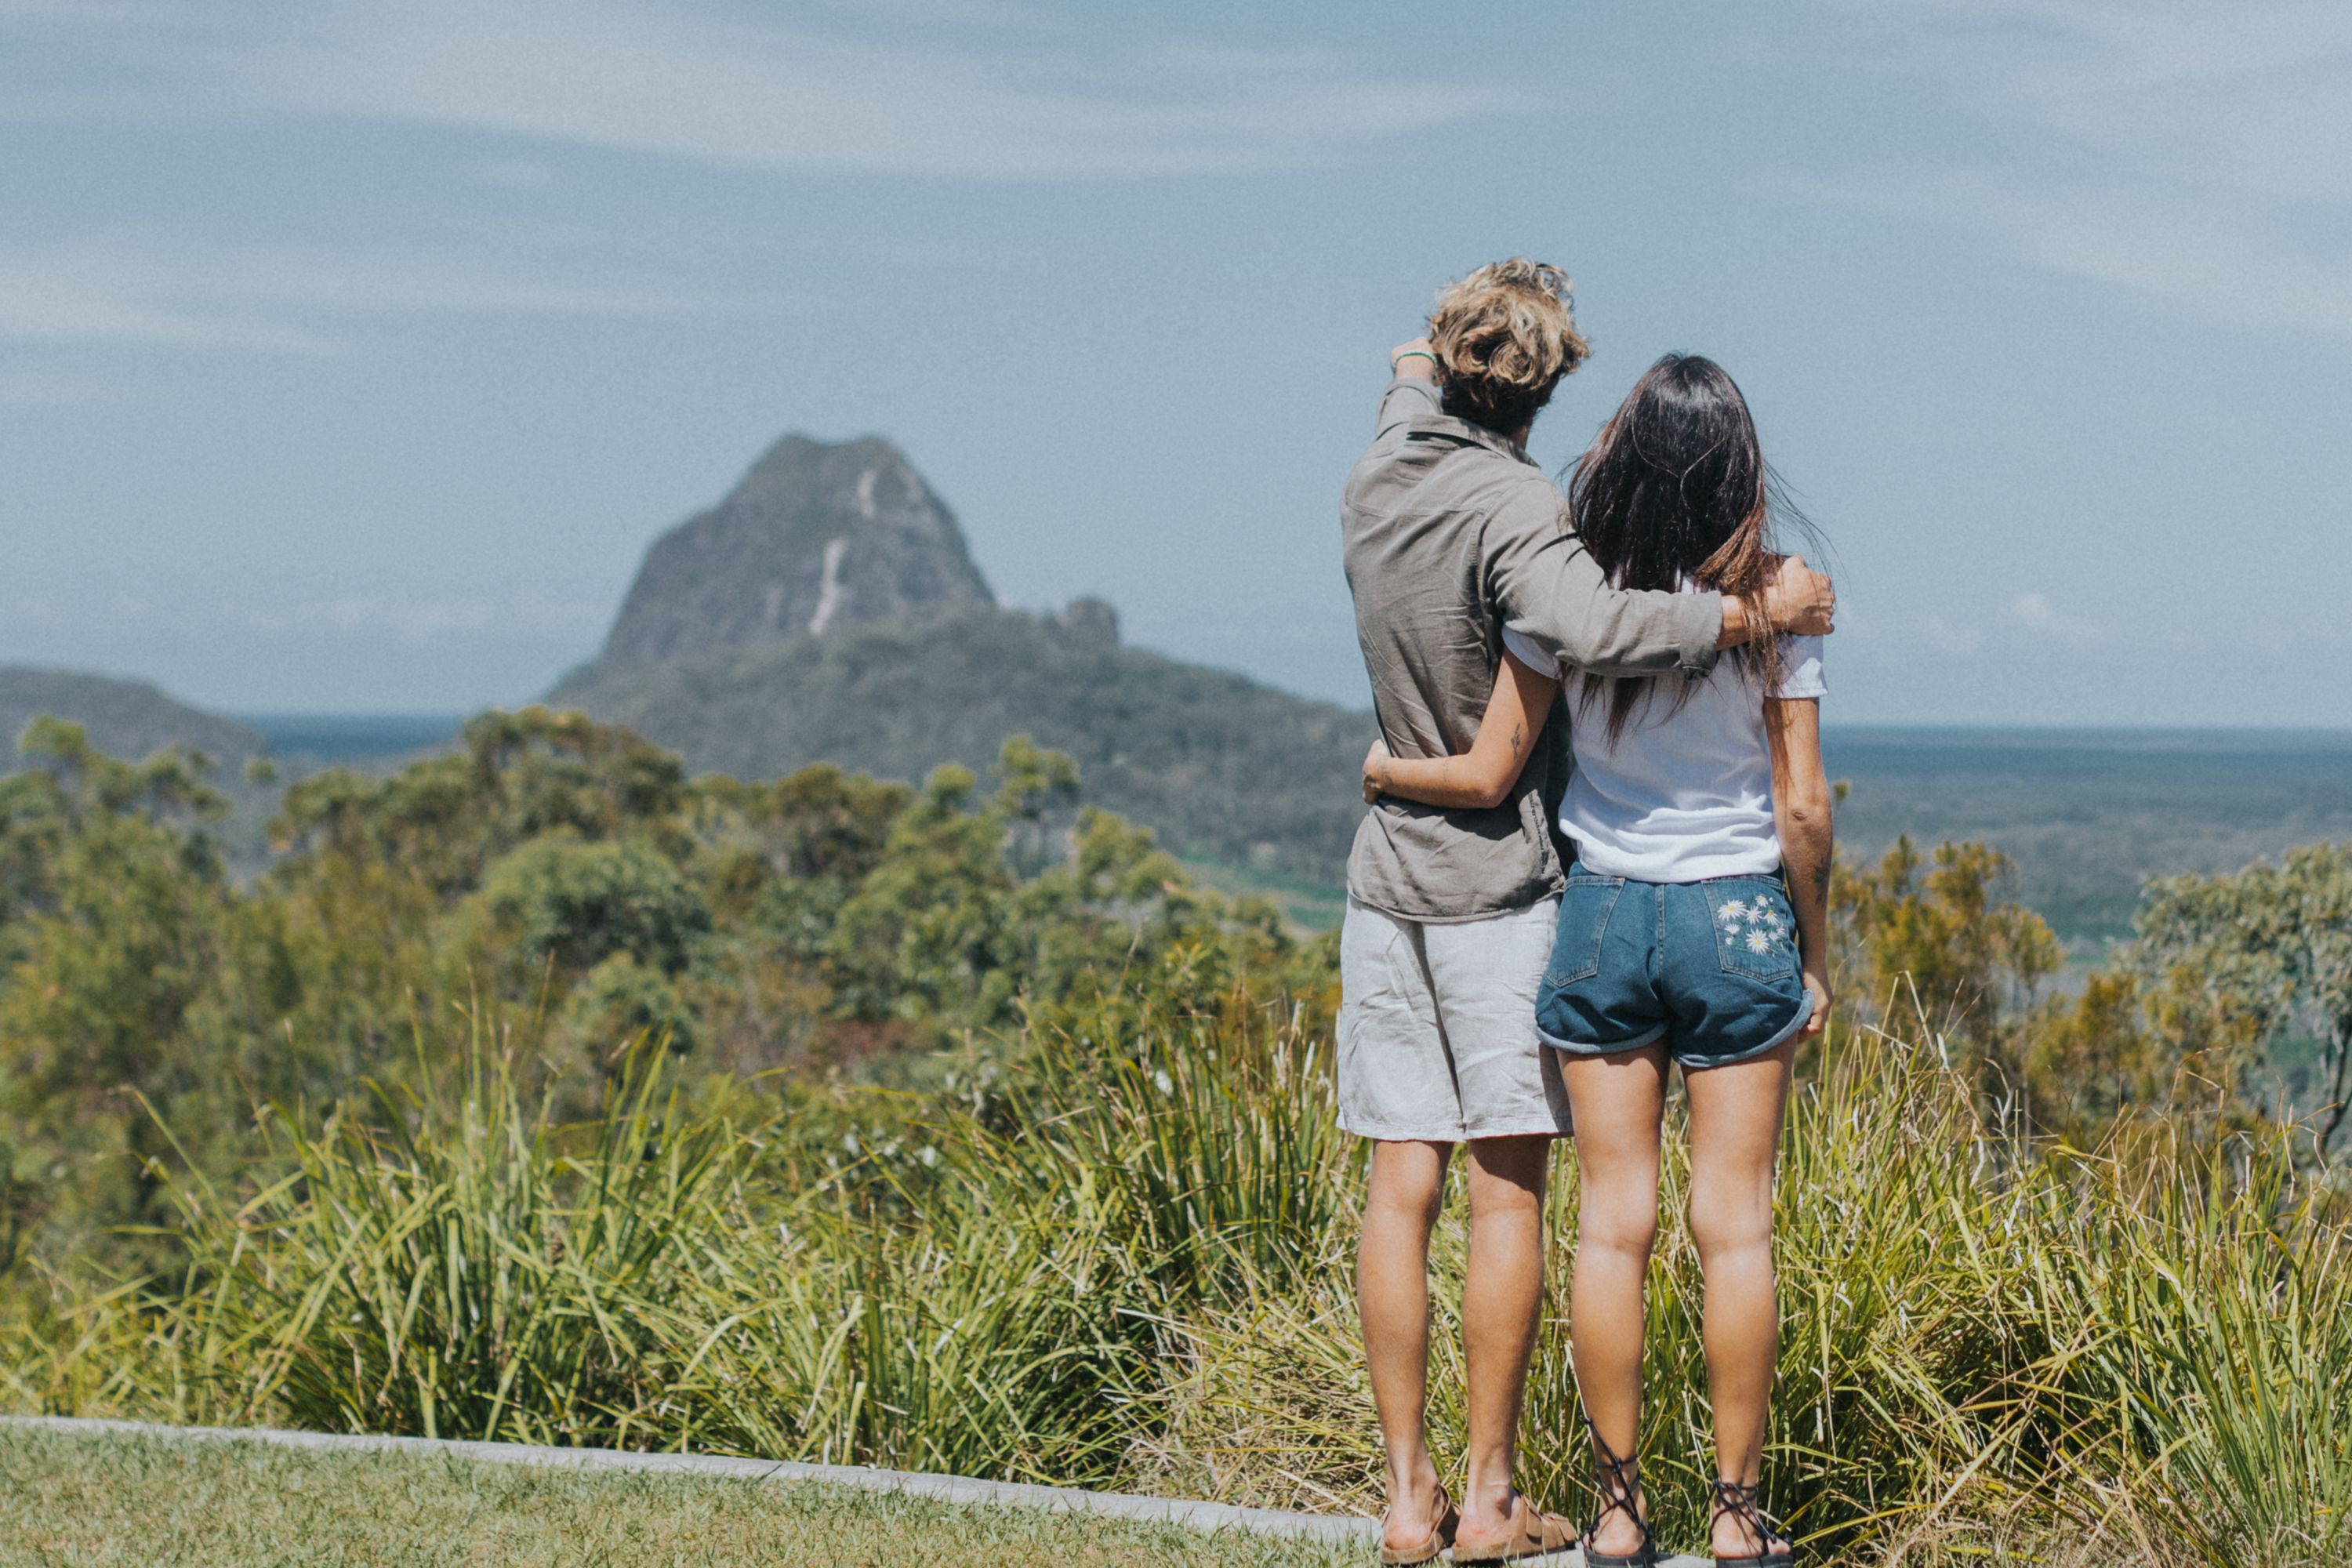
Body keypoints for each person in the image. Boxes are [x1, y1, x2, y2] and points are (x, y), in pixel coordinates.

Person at [1339, 262, 1835, 1567]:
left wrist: (1431, 352)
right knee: (1725, 1225)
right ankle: (1721, 1517)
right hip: (1685, 911)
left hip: (1567, 910)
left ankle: (1594, 1513)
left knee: (1589, 1221)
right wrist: (1815, 950)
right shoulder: (1744, 589)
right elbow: (1799, 807)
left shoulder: (1451, 501)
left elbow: (1406, 377)